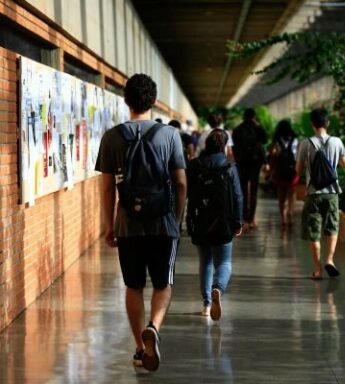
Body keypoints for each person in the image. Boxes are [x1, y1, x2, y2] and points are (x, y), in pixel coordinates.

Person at [95, 74, 187, 371]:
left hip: (128, 224)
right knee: (163, 284)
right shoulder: (169, 136)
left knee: (133, 286)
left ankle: (139, 348)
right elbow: (181, 183)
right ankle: (154, 328)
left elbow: (108, 188)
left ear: (126, 100)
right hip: (163, 223)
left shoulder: (111, 137)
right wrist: (178, 220)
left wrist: (110, 226)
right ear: (154, 101)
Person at [186, 129, 243, 320]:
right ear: (224, 146)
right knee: (224, 262)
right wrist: (238, 222)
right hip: (224, 222)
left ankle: (206, 304)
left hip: (199, 220)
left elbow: (186, 193)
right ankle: (217, 288)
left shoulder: (194, 166)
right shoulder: (229, 167)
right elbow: (237, 196)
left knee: (205, 262)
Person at [296, 108, 345, 280]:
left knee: (314, 231)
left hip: (313, 193)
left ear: (312, 124)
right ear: (327, 123)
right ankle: (330, 260)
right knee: (332, 226)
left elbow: (298, 169)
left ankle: (317, 269)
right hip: (332, 192)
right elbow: (344, 164)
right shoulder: (337, 141)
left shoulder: (306, 143)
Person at [232, 108, 268, 230]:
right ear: (254, 117)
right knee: (253, 191)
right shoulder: (257, 128)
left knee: (242, 191)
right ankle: (251, 219)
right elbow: (265, 140)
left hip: (242, 163)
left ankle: (243, 218)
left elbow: (234, 147)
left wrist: (237, 159)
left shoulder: (237, 129)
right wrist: (258, 125)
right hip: (255, 163)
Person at [268, 119, 300, 226]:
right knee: (292, 194)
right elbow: (298, 156)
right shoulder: (295, 140)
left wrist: (271, 169)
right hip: (293, 172)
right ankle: (291, 213)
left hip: (279, 171)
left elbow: (272, 155)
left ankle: (283, 217)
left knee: (281, 194)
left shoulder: (276, 140)